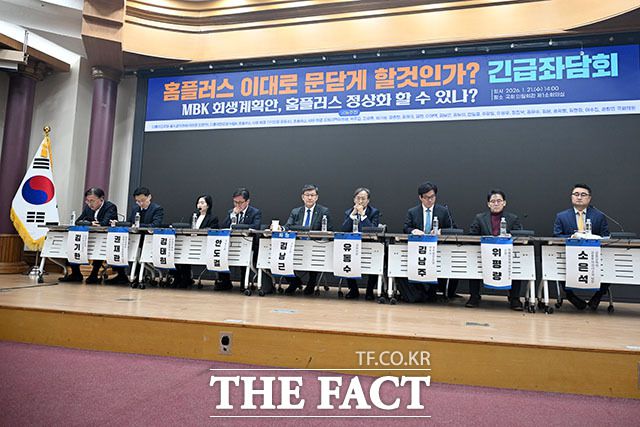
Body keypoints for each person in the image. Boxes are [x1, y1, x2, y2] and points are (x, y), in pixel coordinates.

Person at [553, 183, 610, 310]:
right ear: (571, 197)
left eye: (583, 195)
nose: (579, 197)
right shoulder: (561, 216)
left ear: (589, 198)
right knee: (559, 266)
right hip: (569, 255)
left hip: (595, 256)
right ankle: (570, 296)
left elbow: (606, 236)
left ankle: (597, 297)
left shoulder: (599, 216)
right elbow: (556, 235)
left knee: (609, 266)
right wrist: (572, 237)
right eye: (576, 194)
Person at [466, 189, 524, 310]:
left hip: (506, 255)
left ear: (504, 203)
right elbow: (472, 234)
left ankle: (514, 298)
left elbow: (520, 235)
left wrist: (510, 237)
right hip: (484, 254)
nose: (496, 204)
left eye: (499, 201)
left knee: (516, 265)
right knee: (474, 263)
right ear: (488, 204)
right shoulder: (480, 218)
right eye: (493, 201)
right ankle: (474, 296)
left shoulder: (513, 218)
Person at [401, 181, 458, 302]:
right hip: (418, 249)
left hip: (438, 250)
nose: (430, 200)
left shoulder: (443, 211)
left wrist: (441, 231)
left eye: (432, 197)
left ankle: (440, 291)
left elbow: (453, 228)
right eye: (427, 197)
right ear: (420, 197)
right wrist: (414, 231)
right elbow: (406, 228)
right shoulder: (412, 212)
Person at [106, 186, 164, 284]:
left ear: (149, 197)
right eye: (137, 201)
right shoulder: (135, 208)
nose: (140, 203)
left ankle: (138, 276)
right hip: (134, 238)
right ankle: (121, 275)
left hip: (148, 239)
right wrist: (119, 223)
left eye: (143, 200)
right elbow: (130, 223)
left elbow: (155, 225)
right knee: (117, 246)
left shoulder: (157, 209)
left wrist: (137, 225)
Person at [59, 187, 118, 284]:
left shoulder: (110, 207)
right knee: (74, 244)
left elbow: (104, 223)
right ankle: (76, 274)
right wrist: (90, 223)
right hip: (89, 237)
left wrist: (89, 223)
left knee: (99, 247)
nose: (90, 204)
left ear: (101, 199)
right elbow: (78, 221)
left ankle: (94, 274)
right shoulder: (88, 208)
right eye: (88, 201)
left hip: (105, 239)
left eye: (92, 201)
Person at [283, 184, 332, 295]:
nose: (310, 198)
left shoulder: (323, 211)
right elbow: (288, 226)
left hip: (315, 244)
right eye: (307, 195)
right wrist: (280, 228)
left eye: (312, 195)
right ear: (302, 197)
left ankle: (311, 282)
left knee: (314, 252)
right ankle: (294, 281)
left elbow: (329, 230)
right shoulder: (296, 211)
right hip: (297, 244)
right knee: (282, 255)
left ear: (316, 197)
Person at [215, 188, 262, 291]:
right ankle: (225, 282)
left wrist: (239, 227)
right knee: (219, 253)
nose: (237, 205)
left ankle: (244, 283)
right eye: (235, 202)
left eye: (240, 202)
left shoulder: (255, 212)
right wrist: (232, 215)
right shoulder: (231, 212)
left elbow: (256, 226)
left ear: (247, 201)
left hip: (248, 244)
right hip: (231, 243)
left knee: (245, 255)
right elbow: (223, 227)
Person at [340, 187, 380, 300]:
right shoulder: (349, 212)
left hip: (369, 244)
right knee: (347, 261)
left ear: (368, 200)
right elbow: (344, 229)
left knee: (374, 264)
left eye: (363, 199)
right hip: (352, 245)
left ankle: (369, 291)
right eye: (358, 198)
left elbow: (371, 230)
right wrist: (353, 214)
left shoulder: (374, 212)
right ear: (354, 199)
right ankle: (353, 290)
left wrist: (362, 215)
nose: (360, 201)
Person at [173, 195, 219, 288]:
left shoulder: (213, 218)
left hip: (204, 244)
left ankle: (185, 279)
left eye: (202, 203)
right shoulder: (194, 216)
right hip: (191, 242)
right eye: (198, 203)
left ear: (208, 205)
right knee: (180, 253)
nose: (199, 205)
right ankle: (181, 278)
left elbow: (213, 229)